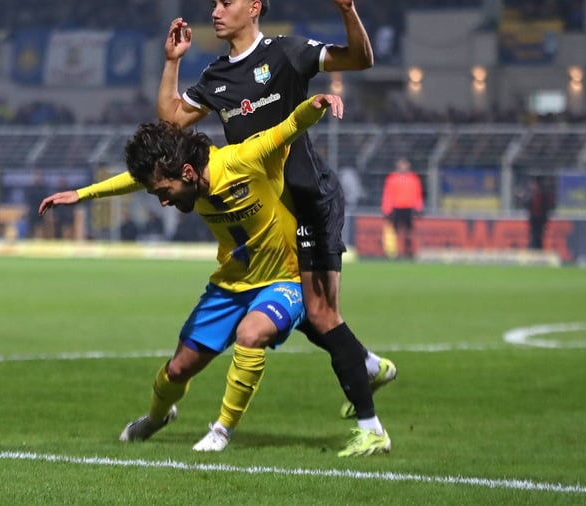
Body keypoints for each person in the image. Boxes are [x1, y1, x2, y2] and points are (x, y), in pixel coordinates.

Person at [42, 94, 388, 456]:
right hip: (229, 285)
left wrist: (315, 104)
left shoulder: (240, 160)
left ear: (188, 173)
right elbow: (134, 181)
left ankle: (221, 431)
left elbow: (287, 129)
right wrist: (80, 195)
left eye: (164, 193)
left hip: (284, 279)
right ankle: (156, 417)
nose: (163, 201)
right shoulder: (179, 177)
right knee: (177, 370)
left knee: (251, 334)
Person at [156, 0, 395, 453]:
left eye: (226, 2)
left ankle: (372, 430)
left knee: (321, 313)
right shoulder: (217, 77)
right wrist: (173, 60)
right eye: (213, 4)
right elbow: (172, 120)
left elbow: (359, 60)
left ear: (254, 8)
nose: (216, 12)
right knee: (303, 311)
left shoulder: (287, 53)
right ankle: (366, 365)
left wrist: (348, 10)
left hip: (309, 199)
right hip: (274, 212)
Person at [380, 158, 424, 258]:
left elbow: (418, 194)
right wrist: (386, 209)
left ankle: (408, 251)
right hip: (396, 208)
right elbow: (388, 194)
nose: (403, 167)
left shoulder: (414, 178)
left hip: (409, 208)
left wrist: (419, 207)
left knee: (409, 231)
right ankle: (395, 252)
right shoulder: (392, 178)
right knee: (396, 231)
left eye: (405, 164)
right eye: (401, 165)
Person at [521, 176, 555, 249]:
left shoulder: (543, 193)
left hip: (541, 218)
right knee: (533, 234)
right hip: (533, 218)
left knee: (539, 234)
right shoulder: (530, 194)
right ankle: (533, 247)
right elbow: (526, 204)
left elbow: (548, 205)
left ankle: (538, 248)